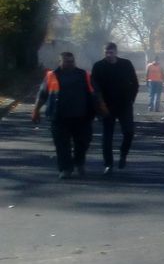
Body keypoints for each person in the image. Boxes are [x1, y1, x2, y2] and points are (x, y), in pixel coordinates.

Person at [30, 51, 107, 179]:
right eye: (67, 62)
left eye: (72, 61)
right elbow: (42, 95)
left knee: (83, 143)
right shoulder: (52, 76)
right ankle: (65, 169)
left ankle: (79, 162)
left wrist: (102, 107)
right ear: (60, 62)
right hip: (59, 117)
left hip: (82, 117)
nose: (70, 64)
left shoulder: (84, 75)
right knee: (62, 145)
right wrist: (36, 110)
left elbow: (95, 93)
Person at [92, 42, 140, 175]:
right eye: (106, 52)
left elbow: (135, 83)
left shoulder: (126, 64)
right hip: (106, 106)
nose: (109, 55)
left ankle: (123, 154)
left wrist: (131, 99)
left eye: (111, 52)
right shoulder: (98, 66)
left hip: (124, 104)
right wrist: (99, 104)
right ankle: (108, 164)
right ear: (104, 52)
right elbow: (95, 87)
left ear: (116, 52)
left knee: (129, 132)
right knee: (107, 136)